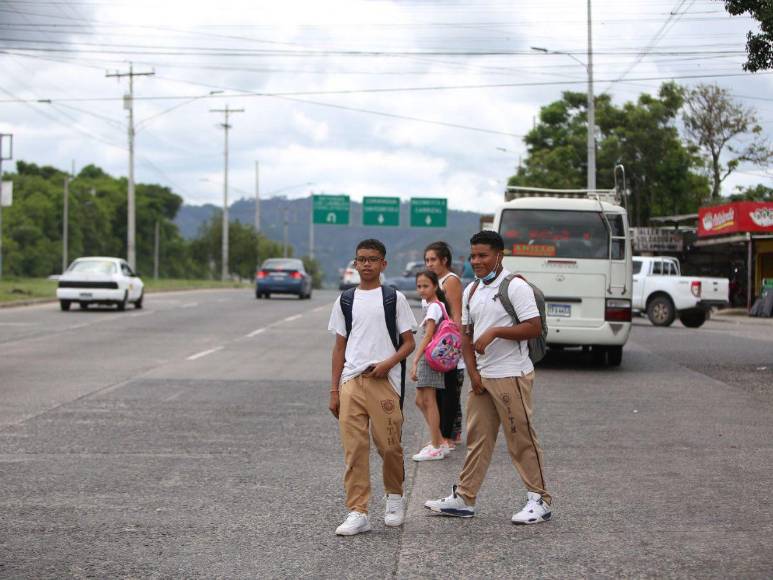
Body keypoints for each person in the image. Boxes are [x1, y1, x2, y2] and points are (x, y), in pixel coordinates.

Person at [424, 230, 553, 524]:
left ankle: (540, 500)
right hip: (483, 378)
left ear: (499, 255)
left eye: (483, 255)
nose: (477, 261)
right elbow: (466, 337)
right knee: (478, 440)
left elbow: (533, 327)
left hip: (511, 376)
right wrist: (474, 374)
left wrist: (496, 332)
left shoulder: (515, 287)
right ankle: (465, 498)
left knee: (521, 438)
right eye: (473, 256)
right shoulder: (472, 290)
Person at [328, 239, 417, 536]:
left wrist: (387, 364)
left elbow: (409, 343)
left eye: (373, 259)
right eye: (361, 260)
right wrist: (334, 390)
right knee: (354, 450)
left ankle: (394, 497)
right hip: (351, 382)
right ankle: (357, 511)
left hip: (384, 381)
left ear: (383, 264)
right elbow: (339, 347)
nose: (367, 264)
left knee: (389, 445)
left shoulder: (394, 298)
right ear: (355, 264)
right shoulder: (345, 300)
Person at [410, 270, 454, 461]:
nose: (421, 290)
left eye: (426, 286)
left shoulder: (435, 307)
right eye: (419, 286)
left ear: (435, 286)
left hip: (429, 357)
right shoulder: (434, 305)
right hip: (431, 357)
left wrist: (414, 360)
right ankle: (439, 441)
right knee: (420, 401)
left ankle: (436, 446)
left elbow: (428, 336)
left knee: (428, 400)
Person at [424, 241, 464, 446]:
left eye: (433, 260)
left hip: (447, 345)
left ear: (444, 260)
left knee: (448, 391)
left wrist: (454, 347)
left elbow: (456, 315)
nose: (429, 264)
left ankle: (446, 436)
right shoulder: (432, 281)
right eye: (427, 260)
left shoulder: (450, 281)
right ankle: (444, 435)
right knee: (437, 391)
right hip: (434, 345)